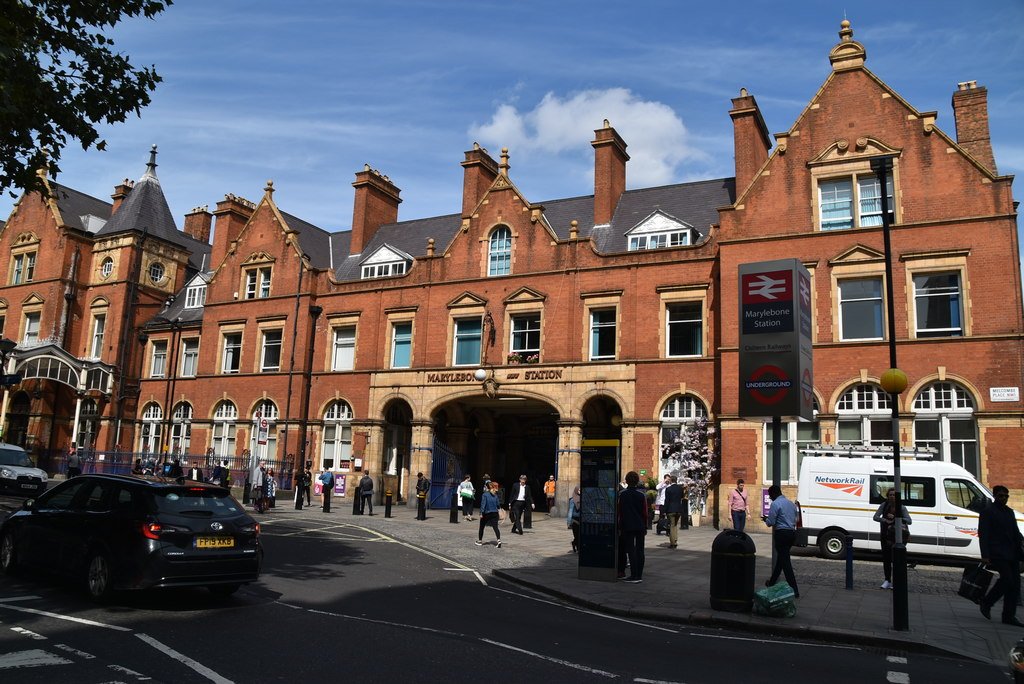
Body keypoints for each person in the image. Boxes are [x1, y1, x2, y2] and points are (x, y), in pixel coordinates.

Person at [978, 485, 1024, 626]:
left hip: (1012, 553)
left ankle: (1009, 615)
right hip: (997, 552)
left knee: (1015, 585)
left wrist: (1021, 542)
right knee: (1007, 580)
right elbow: (983, 534)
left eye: (1006, 496)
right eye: (1001, 496)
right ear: (995, 496)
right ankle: (987, 602)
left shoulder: (1009, 512)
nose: (1003, 498)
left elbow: (1015, 532)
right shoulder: (988, 512)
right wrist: (985, 554)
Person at [764, 484, 800, 598]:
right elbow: (796, 518)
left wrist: (766, 519)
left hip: (781, 534)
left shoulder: (775, 504)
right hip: (791, 534)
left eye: (770, 496)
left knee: (785, 563)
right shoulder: (790, 504)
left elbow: (771, 522)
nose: (770, 498)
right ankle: (772, 582)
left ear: (774, 494)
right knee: (781, 560)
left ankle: (794, 589)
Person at [873, 488, 912, 589]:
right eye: (890, 495)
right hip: (886, 536)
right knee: (886, 559)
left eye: (894, 495)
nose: (892, 497)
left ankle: (896, 581)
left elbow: (909, 520)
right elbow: (875, 517)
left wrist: (896, 518)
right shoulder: (884, 505)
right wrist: (885, 520)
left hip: (898, 537)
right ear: (887, 496)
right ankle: (887, 580)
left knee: (897, 560)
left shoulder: (902, 507)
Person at [617, 471, 647, 583]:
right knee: (640, 550)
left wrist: (620, 527)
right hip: (640, 525)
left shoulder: (622, 494)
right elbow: (644, 513)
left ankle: (633, 575)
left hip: (627, 525)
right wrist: (645, 526)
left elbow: (620, 513)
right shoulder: (641, 495)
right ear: (637, 481)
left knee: (630, 550)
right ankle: (639, 575)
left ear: (627, 481)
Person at [476, 482, 502, 547]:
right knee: (496, 528)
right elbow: (498, 505)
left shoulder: (485, 495)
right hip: (495, 513)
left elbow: (483, 504)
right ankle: (499, 540)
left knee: (481, 527)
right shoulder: (495, 495)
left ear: (487, 487)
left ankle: (479, 541)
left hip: (486, 513)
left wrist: (481, 513)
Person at [661, 475, 684, 548]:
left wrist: (664, 510)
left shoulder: (668, 489)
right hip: (678, 509)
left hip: (671, 510)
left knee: (671, 526)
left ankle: (673, 543)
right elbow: (682, 497)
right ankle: (675, 540)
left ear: (671, 480)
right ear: (676, 480)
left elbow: (666, 501)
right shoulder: (680, 488)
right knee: (675, 525)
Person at [566, 485, 581, 552]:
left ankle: (574, 543)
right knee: (577, 535)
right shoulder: (572, 500)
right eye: (579, 490)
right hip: (575, 520)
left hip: (581, 520)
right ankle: (578, 548)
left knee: (580, 535)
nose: (580, 491)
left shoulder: (583, 498)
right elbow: (570, 511)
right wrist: (569, 522)